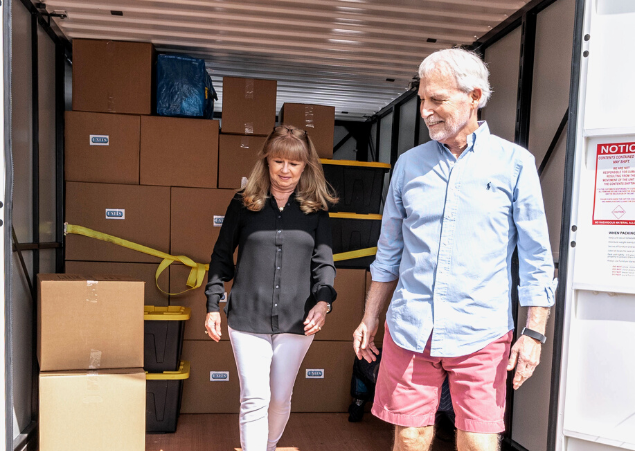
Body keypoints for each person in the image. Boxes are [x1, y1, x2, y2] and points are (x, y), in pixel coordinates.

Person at [353, 48, 557, 451]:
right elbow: (389, 252)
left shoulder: (515, 164)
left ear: (475, 96)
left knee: (478, 442)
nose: (426, 110)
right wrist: (369, 317)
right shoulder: (408, 166)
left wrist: (534, 332)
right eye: (423, 99)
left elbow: (536, 257)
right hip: (411, 329)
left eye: (438, 100)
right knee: (409, 438)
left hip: (481, 332)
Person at [204, 125, 338, 451]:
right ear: (266, 161)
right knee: (254, 397)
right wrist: (212, 304)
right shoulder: (244, 203)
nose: (285, 171)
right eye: (278, 161)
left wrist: (322, 304)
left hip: (297, 320)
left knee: (279, 398)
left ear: (305, 166)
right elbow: (222, 255)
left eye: (294, 163)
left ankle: (270, 445)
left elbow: (324, 265)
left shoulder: (315, 211)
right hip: (247, 318)